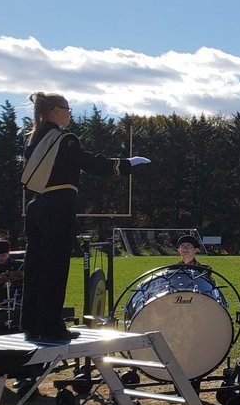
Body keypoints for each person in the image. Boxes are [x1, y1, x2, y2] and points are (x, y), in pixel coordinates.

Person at [22, 92, 147, 342]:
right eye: (67, 109)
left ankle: (31, 323)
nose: (70, 113)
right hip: (59, 204)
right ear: (54, 110)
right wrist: (124, 165)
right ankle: (50, 326)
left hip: (37, 205)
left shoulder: (33, 139)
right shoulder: (64, 139)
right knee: (55, 267)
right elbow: (90, 163)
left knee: (35, 266)